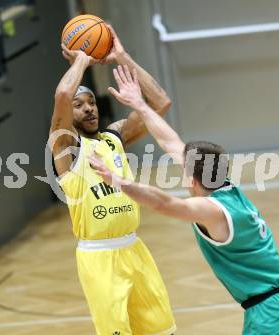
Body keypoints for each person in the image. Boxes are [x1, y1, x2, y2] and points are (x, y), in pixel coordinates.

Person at [90, 65, 279, 335]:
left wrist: (117, 180)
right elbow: (171, 141)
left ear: (194, 180)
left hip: (271, 316)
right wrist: (140, 105)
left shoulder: (211, 210)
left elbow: (164, 204)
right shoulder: (228, 189)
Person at [49, 26, 176, 335]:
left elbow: (160, 103)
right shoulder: (65, 146)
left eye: (91, 102)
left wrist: (121, 56)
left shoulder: (113, 138)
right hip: (99, 258)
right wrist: (82, 59)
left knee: (163, 331)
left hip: (135, 248)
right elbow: (64, 94)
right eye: (79, 106)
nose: (88, 107)